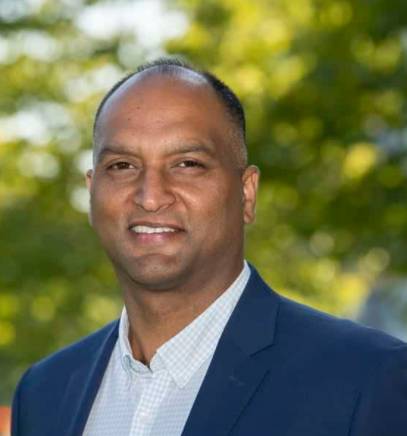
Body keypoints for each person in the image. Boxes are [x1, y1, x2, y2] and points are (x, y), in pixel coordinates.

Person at [12, 58, 407, 436]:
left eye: (187, 164)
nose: (151, 196)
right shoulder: (43, 394)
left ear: (246, 193)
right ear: (91, 192)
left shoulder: (367, 379)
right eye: (122, 166)